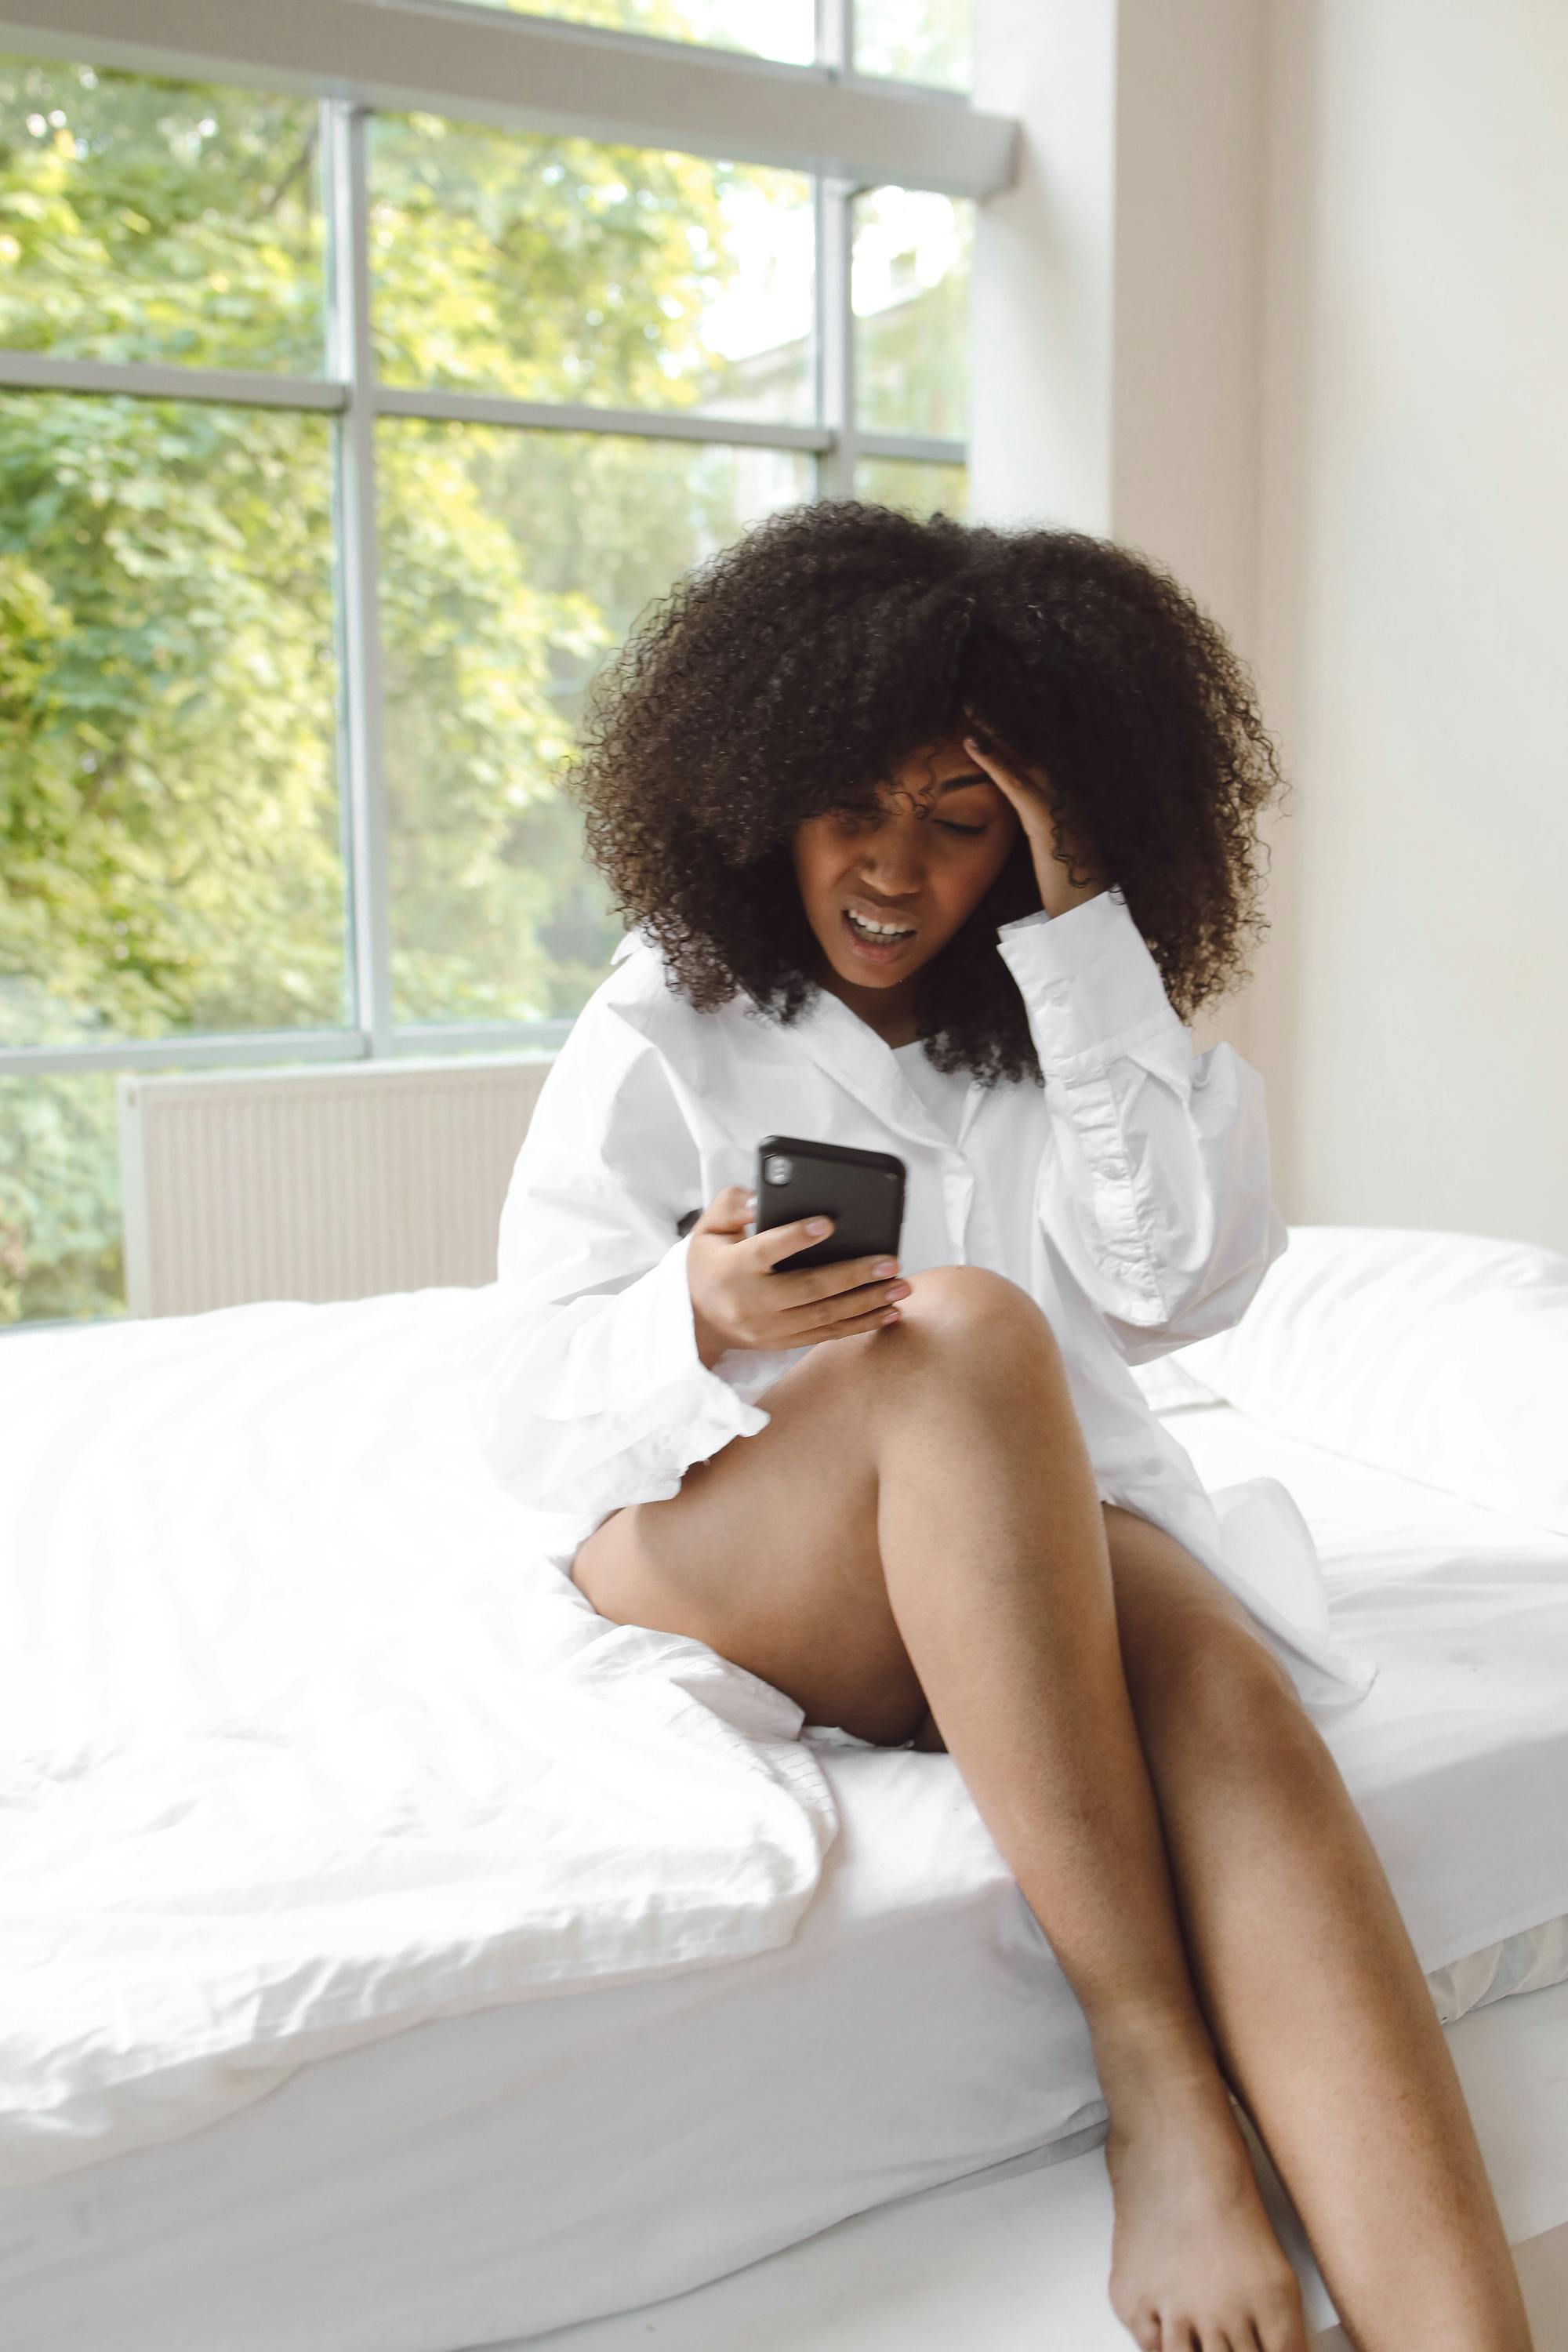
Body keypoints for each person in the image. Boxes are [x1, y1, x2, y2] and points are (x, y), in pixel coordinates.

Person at [477, 504, 1533, 2351]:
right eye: (851, 807)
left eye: (958, 824)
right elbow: (531, 1420)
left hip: (1004, 1550)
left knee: (1228, 1692)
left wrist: (1080, 926)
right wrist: (698, 1320)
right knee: (963, 1331)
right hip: (738, 1548)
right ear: (763, 787)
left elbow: (1177, 1283)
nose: (892, 867)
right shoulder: (671, 1014)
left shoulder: (1056, 1013)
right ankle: (1161, 2089)